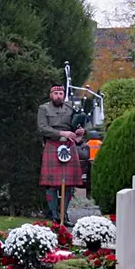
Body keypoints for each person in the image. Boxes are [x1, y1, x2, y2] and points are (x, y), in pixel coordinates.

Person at [37, 85, 84, 226]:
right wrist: (62, 133)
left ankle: (64, 214)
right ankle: (54, 216)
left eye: (61, 93)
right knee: (51, 184)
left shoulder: (70, 109)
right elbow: (42, 128)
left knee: (69, 184)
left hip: (69, 146)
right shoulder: (44, 109)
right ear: (51, 94)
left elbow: (77, 127)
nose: (59, 95)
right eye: (56, 93)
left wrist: (80, 132)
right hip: (52, 145)